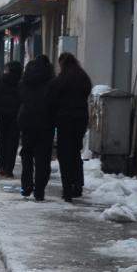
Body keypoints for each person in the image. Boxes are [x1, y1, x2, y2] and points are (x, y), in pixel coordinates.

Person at [48, 52, 93, 202]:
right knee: (75, 152)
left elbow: (52, 100)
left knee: (64, 154)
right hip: (80, 118)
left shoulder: (60, 80)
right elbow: (87, 93)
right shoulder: (83, 77)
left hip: (64, 120)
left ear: (61, 64)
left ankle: (67, 188)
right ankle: (78, 185)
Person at [17, 55, 55, 200]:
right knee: (43, 158)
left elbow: (20, 98)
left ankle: (26, 184)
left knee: (26, 154)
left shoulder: (24, 82)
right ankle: (39, 190)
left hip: (27, 122)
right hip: (46, 123)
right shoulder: (52, 83)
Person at [0, 61, 22, 178]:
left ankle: (2, 165)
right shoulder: (21, 82)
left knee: (3, 140)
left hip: (2, 115)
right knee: (13, 142)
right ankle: (9, 168)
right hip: (16, 116)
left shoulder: (1, 81)